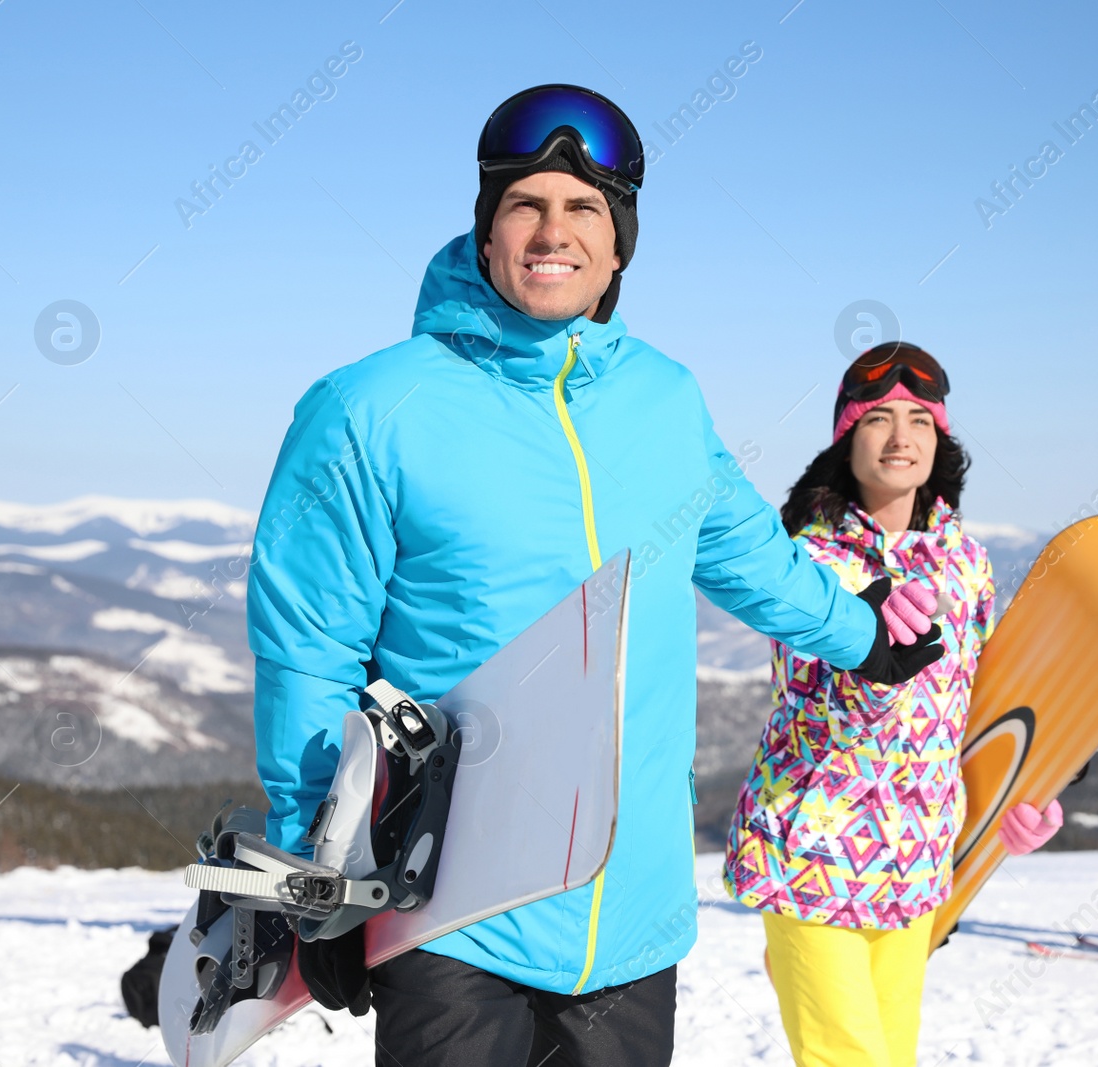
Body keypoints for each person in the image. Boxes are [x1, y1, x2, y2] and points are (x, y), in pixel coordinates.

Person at [245, 85, 946, 1067]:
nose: (552, 230)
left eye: (584, 209)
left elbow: (748, 554)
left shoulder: (663, 397)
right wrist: (314, 868)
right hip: (451, 898)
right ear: (486, 232)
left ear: (619, 245)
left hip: (630, 908)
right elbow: (307, 645)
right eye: (524, 203)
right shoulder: (371, 407)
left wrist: (863, 633)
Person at [722, 343, 1062, 1067]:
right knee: (849, 1057)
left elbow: (975, 705)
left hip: (915, 859)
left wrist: (1021, 795)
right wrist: (874, 644)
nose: (902, 437)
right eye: (879, 418)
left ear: (941, 441)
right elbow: (810, 700)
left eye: (920, 420)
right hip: (813, 849)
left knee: (889, 1055)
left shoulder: (964, 563)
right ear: (848, 437)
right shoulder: (810, 561)